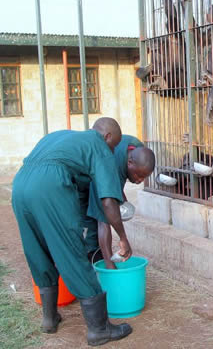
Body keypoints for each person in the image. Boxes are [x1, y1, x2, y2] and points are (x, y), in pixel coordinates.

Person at [11, 118, 133, 346]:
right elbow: (108, 202)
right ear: (107, 137)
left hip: (20, 187)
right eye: (113, 146)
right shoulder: (98, 145)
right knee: (71, 251)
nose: (112, 151)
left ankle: (49, 319)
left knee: (37, 250)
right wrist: (123, 238)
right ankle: (99, 330)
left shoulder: (60, 136)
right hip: (49, 187)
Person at [84, 135, 155, 268]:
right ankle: (104, 266)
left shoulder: (136, 149)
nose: (140, 180)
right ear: (129, 163)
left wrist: (121, 199)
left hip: (102, 170)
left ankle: (101, 261)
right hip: (85, 179)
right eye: (138, 176)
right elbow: (104, 217)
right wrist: (122, 240)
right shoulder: (110, 164)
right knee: (96, 223)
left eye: (144, 177)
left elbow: (119, 180)